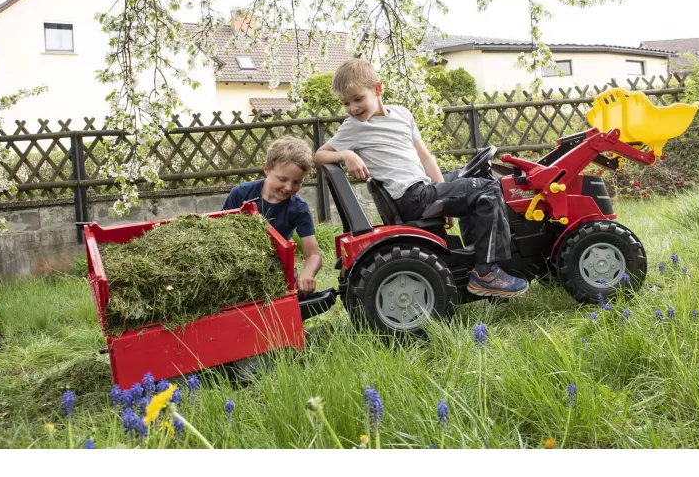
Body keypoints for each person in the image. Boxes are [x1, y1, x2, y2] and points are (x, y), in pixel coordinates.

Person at [313, 59, 528, 298]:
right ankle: (486, 273)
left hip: (424, 188)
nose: (352, 108)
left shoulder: (403, 115)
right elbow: (319, 156)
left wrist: (442, 190)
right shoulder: (353, 127)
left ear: (377, 89)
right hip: (412, 196)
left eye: (357, 99)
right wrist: (347, 154)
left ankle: (477, 259)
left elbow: (426, 158)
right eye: (345, 103)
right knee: (487, 190)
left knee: (471, 177)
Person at [223, 137, 322, 294]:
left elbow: (314, 255)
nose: (288, 187)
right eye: (282, 179)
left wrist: (308, 273)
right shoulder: (241, 194)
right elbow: (222, 232)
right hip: (238, 267)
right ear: (266, 169)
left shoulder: (299, 208)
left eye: (297, 182)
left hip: (277, 270)